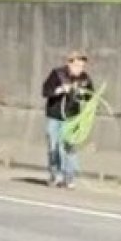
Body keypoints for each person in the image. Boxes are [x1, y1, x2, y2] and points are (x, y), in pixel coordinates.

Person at [41, 50, 94, 189]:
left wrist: (83, 94)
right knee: (54, 146)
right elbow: (45, 91)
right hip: (55, 116)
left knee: (69, 147)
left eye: (82, 66)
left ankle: (69, 177)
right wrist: (59, 90)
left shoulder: (85, 78)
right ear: (69, 63)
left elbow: (91, 96)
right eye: (77, 65)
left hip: (72, 118)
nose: (80, 69)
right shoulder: (58, 74)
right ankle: (55, 175)